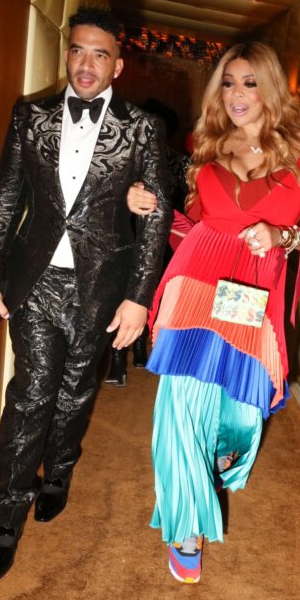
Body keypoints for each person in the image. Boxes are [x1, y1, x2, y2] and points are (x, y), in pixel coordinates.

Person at [0, 7, 171, 582]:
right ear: (68, 54)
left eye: (100, 54)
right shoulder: (29, 115)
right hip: (34, 281)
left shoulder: (141, 128)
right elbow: (5, 198)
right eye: (78, 51)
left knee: (76, 390)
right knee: (31, 393)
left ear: (118, 64)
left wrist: (139, 298)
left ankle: (59, 469)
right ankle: (8, 513)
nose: (86, 65)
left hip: (103, 286)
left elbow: (155, 217)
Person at [126, 41, 300, 583]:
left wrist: (281, 234)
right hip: (196, 280)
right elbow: (191, 226)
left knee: (240, 418)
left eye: (249, 82)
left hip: (252, 292)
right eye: (228, 82)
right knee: (180, 401)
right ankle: (186, 525)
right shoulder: (205, 145)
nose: (237, 94)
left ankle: (210, 469)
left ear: (270, 87)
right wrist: (151, 211)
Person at [104, 98, 191, 386]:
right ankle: (136, 353)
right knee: (144, 292)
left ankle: (121, 362)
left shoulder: (136, 157)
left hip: (148, 237)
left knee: (127, 293)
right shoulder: (179, 161)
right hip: (155, 238)